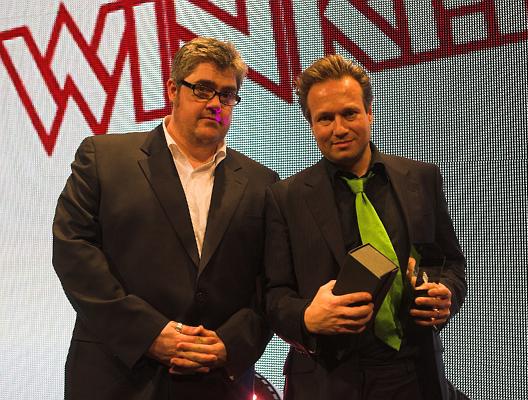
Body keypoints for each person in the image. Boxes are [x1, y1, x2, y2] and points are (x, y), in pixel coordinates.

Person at [53, 37, 278, 399]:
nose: (215, 103)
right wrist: (149, 334)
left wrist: (230, 343)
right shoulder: (103, 158)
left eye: (226, 94)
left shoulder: (261, 182)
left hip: (216, 382)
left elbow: (271, 282)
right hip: (118, 376)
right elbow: (74, 253)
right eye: (203, 89)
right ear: (173, 89)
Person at [264, 54, 466, 400]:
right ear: (310, 123)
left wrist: (445, 292)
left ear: (369, 112)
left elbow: (449, 262)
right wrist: (307, 317)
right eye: (324, 118)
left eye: (349, 113)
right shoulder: (284, 197)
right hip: (326, 379)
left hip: (415, 372)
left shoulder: (421, 178)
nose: (339, 129)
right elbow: (272, 295)